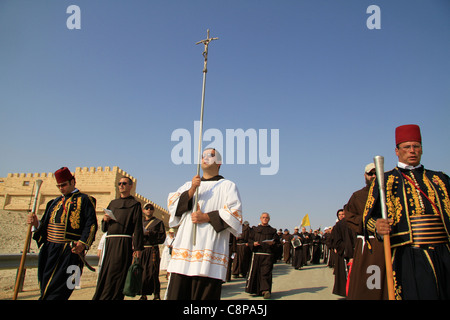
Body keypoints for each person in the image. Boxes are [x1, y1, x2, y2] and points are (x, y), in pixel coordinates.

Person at [364, 124, 450, 300]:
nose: (412, 151)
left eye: (416, 146)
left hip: (445, 253)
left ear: (422, 149)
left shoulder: (439, 178)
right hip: (409, 254)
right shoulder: (385, 180)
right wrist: (377, 226)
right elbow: (368, 218)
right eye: (406, 147)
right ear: (397, 151)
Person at [165, 148, 243, 300]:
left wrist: (206, 217)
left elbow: (234, 213)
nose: (205, 158)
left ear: (219, 163)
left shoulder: (228, 186)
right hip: (185, 251)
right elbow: (173, 206)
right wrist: (192, 189)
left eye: (211, 155)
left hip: (209, 251)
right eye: (203, 155)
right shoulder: (189, 185)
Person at [27, 167, 98, 300]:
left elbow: (91, 224)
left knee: (62, 289)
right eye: (58, 186)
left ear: (73, 182)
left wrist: (82, 244)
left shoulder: (85, 200)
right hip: (49, 250)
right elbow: (44, 226)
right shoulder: (53, 202)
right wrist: (36, 224)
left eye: (63, 185)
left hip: (69, 251)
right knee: (46, 285)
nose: (61, 188)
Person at [92, 177, 144, 300]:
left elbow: (137, 227)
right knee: (105, 272)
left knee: (116, 273)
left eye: (124, 183)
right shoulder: (112, 203)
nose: (121, 185)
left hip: (123, 243)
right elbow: (104, 228)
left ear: (130, 186)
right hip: (109, 243)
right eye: (119, 183)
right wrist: (105, 220)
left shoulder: (135, 204)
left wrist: (138, 248)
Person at [345, 163, 388, 300]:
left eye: (377, 173)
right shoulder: (357, 196)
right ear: (365, 175)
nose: (374, 176)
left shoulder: (390, 193)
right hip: (370, 244)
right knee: (371, 284)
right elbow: (349, 216)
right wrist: (370, 224)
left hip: (392, 243)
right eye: (371, 174)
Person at [245, 212, 279, 299]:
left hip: (267, 255)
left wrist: (273, 243)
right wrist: (253, 243)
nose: (265, 219)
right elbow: (249, 240)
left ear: (269, 219)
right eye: (263, 217)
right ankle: (255, 290)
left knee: (265, 273)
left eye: (267, 217)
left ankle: (265, 290)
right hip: (257, 254)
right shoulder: (255, 229)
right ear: (260, 219)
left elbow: (278, 243)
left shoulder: (273, 231)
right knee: (255, 272)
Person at [139, 203, 166, 300]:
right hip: (142, 250)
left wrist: (150, 233)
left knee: (153, 272)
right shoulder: (139, 223)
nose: (149, 210)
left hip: (153, 249)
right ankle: (143, 294)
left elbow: (162, 238)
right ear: (143, 210)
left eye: (151, 208)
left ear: (153, 210)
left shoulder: (158, 222)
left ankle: (156, 295)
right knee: (142, 272)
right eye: (147, 208)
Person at [330, 209, 355, 298]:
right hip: (343, 253)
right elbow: (335, 240)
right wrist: (343, 248)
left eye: (343, 214)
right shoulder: (337, 226)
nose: (341, 216)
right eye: (340, 214)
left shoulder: (351, 224)